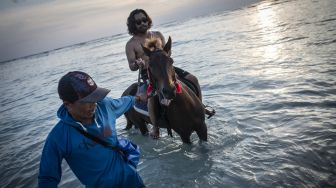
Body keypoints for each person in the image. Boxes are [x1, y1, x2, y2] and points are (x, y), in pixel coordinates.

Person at [38, 71, 146, 188]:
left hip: (134, 181)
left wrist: (138, 98)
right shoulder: (58, 138)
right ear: (68, 104)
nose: (94, 104)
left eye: (95, 97)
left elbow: (125, 102)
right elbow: (47, 179)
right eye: (87, 101)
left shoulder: (105, 106)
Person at [125, 9, 214, 139]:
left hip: (166, 67)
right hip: (150, 72)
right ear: (133, 24)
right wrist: (137, 63)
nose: (142, 23)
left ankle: (200, 107)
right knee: (152, 97)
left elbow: (168, 52)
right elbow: (131, 66)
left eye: (144, 20)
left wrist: (164, 56)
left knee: (193, 79)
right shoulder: (131, 44)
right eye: (138, 22)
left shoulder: (157, 34)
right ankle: (155, 127)